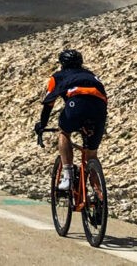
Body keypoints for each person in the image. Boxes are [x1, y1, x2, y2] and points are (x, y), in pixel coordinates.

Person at [33, 49, 107, 190]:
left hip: (77, 104)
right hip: (99, 107)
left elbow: (49, 103)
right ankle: (99, 195)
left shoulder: (58, 77)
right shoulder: (91, 75)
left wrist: (42, 124)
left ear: (62, 64)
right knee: (91, 155)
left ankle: (67, 176)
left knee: (64, 132)